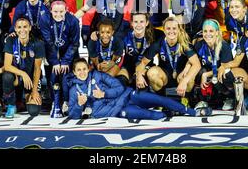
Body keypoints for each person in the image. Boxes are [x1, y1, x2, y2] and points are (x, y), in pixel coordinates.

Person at [68, 58, 200, 120]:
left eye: (84, 69)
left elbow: (119, 87)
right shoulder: (75, 90)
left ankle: (189, 111)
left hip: (128, 96)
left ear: (88, 69)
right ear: (74, 72)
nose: (82, 72)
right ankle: (172, 113)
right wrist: (79, 105)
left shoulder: (98, 75)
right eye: (78, 70)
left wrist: (104, 93)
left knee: (159, 99)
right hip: (119, 110)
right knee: (153, 116)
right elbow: (73, 115)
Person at [136, 17, 201, 103]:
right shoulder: (159, 43)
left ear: (179, 29)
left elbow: (197, 65)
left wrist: (184, 81)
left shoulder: (185, 44)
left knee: (190, 76)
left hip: (181, 76)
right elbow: (143, 63)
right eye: (168, 28)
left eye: (174, 28)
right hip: (165, 76)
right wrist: (139, 76)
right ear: (164, 30)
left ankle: (186, 98)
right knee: (152, 73)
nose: (171, 31)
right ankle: (160, 99)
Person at [194, 19, 248, 111]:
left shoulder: (223, 46)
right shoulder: (200, 45)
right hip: (209, 78)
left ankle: (230, 97)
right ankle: (204, 99)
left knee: (224, 74)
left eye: (211, 31)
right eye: (205, 31)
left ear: (217, 33)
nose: (208, 34)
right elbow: (192, 61)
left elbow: (223, 68)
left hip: (217, 76)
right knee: (198, 71)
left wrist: (206, 74)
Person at [40, 0, 80, 118]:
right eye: (55, 12)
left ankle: (66, 101)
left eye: (61, 11)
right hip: (52, 53)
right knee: (52, 75)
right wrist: (55, 61)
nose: (58, 14)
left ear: (66, 10)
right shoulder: (45, 19)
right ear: (50, 11)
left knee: (66, 77)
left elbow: (75, 43)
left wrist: (66, 61)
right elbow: (48, 41)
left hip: (69, 53)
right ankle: (55, 102)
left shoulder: (73, 21)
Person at [2, 17, 44, 118]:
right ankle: (11, 105)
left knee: (34, 111)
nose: (22, 30)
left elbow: (37, 69)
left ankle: (24, 98)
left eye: (25, 27)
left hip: (30, 79)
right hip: (17, 77)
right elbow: (7, 65)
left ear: (30, 28)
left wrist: (34, 91)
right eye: (19, 27)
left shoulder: (38, 43)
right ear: (15, 29)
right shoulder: (10, 41)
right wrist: (22, 73)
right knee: (7, 76)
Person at [119, 13, 154, 87]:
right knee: (121, 81)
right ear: (131, 23)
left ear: (147, 23)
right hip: (128, 66)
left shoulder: (154, 34)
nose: (138, 25)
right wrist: (96, 34)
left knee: (139, 83)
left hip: (145, 66)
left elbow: (170, 34)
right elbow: (109, 36)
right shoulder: (125, 34)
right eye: (135, 22)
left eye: (141, 21)